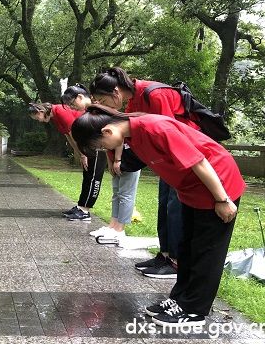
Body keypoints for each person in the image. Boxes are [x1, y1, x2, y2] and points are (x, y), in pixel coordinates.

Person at [70, 105, 244, 328]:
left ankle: (194, 310)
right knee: (187, 247)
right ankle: (180, 299)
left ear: (107, 132)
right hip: (192, 189)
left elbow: (199, 161)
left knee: (206, 250)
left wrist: (222, 199)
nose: (104, 150)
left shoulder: (154, 128)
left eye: (100, 146)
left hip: (217, 183)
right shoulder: (135, 134)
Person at [90, 67, 199, 279]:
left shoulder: (153, 94)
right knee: (163, 202)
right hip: (167, 158)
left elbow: (169, 133)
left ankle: (177, 261)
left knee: (174, 205)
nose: (104, 106)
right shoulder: (133, 100)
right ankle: (165, 254)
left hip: (185, 153)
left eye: (102, 101)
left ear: (115, 92)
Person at [62, 84, 141, 243]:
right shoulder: (96, 113)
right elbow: (107, 143)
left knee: (125, 193)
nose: (99, 102)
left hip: (129, 156)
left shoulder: (104, 114)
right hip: (117, 157)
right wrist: (112, 161)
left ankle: (120, 230)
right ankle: (113, 226)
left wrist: (117, 159)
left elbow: (119, 137)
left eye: (101, 99)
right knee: (117, 191)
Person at [28, 102, 106, 221]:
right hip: (86, 145)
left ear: (41, 111)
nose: (39, 121)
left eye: (37, 118)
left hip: (96, 143)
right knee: (87, 176)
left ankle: (85, 212)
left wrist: (83, 153)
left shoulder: (60, 111)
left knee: (93, 177)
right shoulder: (56, 116)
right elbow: (69, 137)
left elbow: (74, 134)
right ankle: (81, 207)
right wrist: (80, 153)